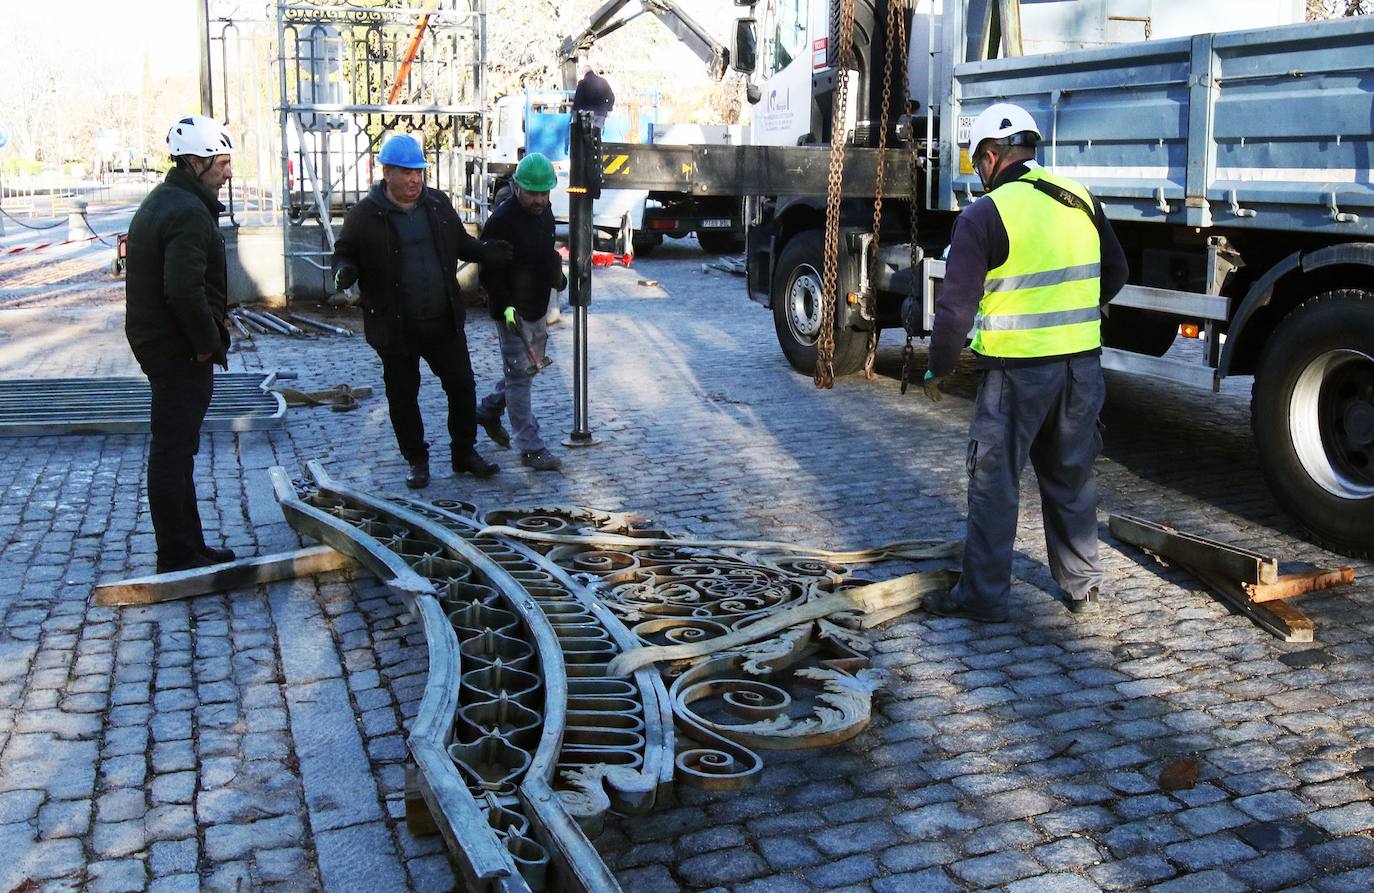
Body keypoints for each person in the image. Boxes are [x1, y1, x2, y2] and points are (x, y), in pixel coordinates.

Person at [916, 102, 1128, 621]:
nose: (978, 175)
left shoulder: (984, 215)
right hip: (1082, 367)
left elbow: (955, 309)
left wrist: (937, 366)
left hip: (1016, 373)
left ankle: (983, 598)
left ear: (990, 156)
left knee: (995, 482)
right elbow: (1117, 271)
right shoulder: (1079, 197)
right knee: (1071, 473)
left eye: (976, 163)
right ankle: (1082, 586)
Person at [331, 134, 512, 489]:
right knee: (403, 396)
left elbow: (461, 243)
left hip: (442, 319)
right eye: (406, 172)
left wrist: (486, 251)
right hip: (395, 327)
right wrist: (344, 271)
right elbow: (344, 252)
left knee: (462, 386)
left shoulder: (438, 205)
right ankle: (416, 458)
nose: (415, 180)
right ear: (387, 172)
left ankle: (464, 452)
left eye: (419, 172)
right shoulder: (365, 216)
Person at [124, 114, 238, 574]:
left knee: (178, 449)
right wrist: (208, 345)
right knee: (173, 451)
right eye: (222, 163)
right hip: (177, 350)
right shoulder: (188, 211)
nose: (229, 172)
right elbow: (183, 290)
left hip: (163, 344)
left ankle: (189, 543)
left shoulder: (171, 200)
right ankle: (175, 552)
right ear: (195, 162)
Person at [476, 153, 567, 472]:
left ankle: (488, 410)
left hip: (537, 304)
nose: (540, 199)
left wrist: (557, 275)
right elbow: (488, 269)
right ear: (516, 188)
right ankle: (530, 447)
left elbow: (544, 253)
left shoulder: (546, 212)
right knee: (520, 377)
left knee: (527, 370)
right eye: (534, 193)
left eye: (545, 193)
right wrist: (505, 305)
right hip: (511, 309)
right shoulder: (502, 220)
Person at [572, 65, 615, 130]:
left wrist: (575, 111)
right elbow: (611, 97)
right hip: (601, 112)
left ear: (584, 73)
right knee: (597, 132)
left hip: (586, 113)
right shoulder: (603, 81)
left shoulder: (582, 83)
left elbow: (577, 100)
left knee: (586, 135)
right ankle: (597, 138)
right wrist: (609, 109)